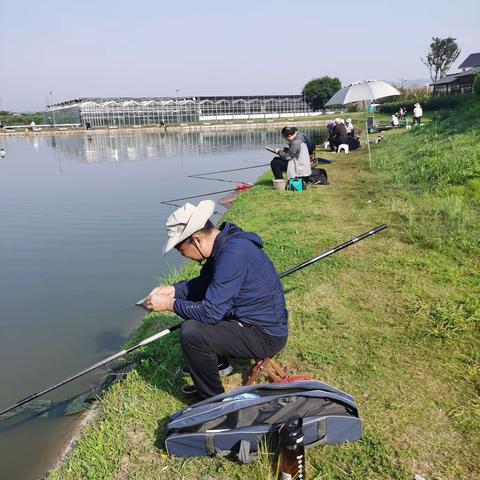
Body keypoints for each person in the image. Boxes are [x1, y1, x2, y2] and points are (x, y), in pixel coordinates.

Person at [145, 200, 288, 399]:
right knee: (199, 314)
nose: (184, 256)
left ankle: (212, 400)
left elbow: (210, 313)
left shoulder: (232, 255)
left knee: (192, 332)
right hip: (250, 321)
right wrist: (174, 291)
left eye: (181, 250)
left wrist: (169, 304)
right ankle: (217, 364)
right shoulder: (226, 243)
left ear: (196, 240)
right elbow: (204, 283)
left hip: (266, 335)